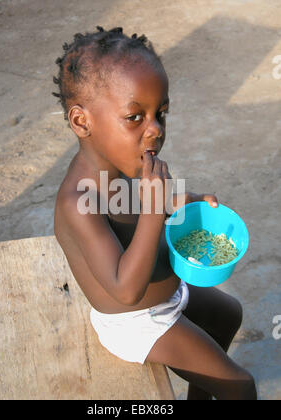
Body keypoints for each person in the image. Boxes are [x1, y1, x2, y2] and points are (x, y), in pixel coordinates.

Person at [53, 26, 257, 400]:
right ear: (82, 121)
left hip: (166, 293)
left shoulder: (125, 162)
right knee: (242, 387)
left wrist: (187, 200)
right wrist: (151, 208)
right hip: (136, 322)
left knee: (229, 314)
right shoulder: (78, 201)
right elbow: (126, 290)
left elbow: (152, 202)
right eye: (135, 118)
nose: (155, 131)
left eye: (160, 113)